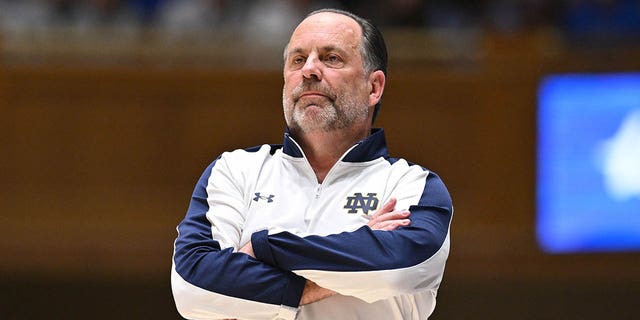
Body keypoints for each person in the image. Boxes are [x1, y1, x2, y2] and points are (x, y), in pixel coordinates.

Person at [171, 8, 453, 320]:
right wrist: (357, 249)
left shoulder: (411, 184)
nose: (309, 70)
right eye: (297, 59)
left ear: (374, 88)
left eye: (331, 58)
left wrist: (264, 247)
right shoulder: (235, 171)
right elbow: (192, 284)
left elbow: (401, 269)